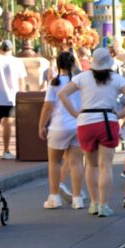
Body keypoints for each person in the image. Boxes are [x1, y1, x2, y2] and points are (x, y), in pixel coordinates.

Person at [58, 47, 125, 217]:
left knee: (91, 165)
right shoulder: (117, 79)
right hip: (107, 121)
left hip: (86, 122)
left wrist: (74, 112)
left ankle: (94, 203)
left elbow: (63, 93)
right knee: (105, 165)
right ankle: (104, 204)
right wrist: (122, 113)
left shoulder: (82, 77)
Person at [39, 51, 85, 210]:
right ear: (73, 64)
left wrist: (41, 125)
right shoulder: (79, 82)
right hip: (77, 125)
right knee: (76, 162)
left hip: (58, 126)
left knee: (54, 162)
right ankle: (78, 198)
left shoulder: (54, 83)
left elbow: (48, 107)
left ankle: (54, 197)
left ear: (58, 65)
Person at [0, 40, 27, 159]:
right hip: (12, 98)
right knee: (8, 124)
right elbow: (22, 82)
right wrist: (21, 96)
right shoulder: (18, 61)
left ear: (1, 48)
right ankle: (6, 150)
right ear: (11, 49)